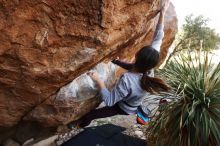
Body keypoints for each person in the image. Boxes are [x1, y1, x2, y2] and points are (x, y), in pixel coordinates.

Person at [68, 0, 170, 129]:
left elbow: (110, 101)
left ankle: (80, 125)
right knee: (119, 92)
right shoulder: (149, 67)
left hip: (124, 107)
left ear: (137, 56)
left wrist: (98, 80)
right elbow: (158, 37)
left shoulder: (128, 80)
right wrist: (163, 12)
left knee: (92, 114)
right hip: (132, 99)